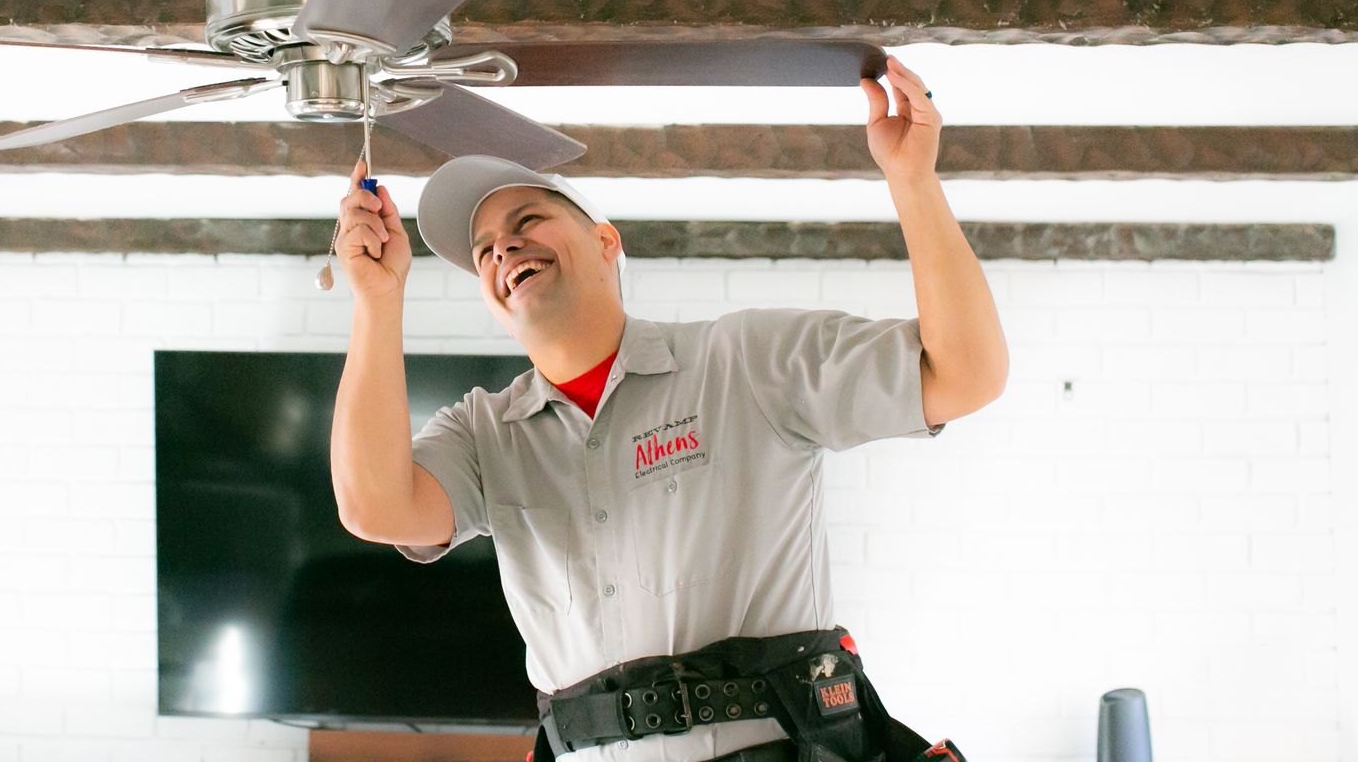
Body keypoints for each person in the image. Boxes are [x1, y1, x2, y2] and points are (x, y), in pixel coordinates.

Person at [327, 56, 1006, 762]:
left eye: (528, 220)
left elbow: (966, 374)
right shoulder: (483, 434)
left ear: (604, 241)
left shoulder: (745, 362)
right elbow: (374, 507)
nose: (504, 249)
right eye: (484, 250)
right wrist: (377, 300)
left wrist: (912, 181)